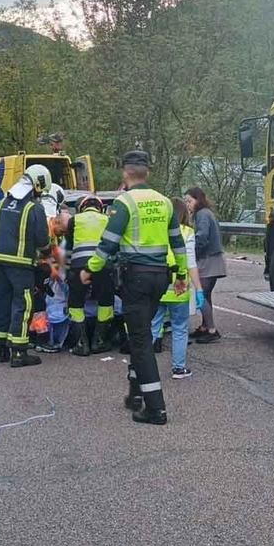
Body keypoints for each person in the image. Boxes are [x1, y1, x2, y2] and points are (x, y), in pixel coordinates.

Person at [84, 151, 187, 425]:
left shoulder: (124, 202)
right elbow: (177, 242)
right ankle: (135, 393)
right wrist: (181, 274)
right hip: (160, 278)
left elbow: (107, 243)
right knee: (139, 332)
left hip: (136, 278)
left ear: (125, 173)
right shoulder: (165, 202)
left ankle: (156, 408)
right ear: (147, 173)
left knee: (140, 341)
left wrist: (89, 269)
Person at [0, 164, 53, 367]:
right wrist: (47, 255)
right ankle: (19, 353)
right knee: (23, 305)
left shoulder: (0, 203)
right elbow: (43, 241)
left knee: (2, 302)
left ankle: (2, 348)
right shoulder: (34, 208)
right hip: (21, 265)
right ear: (37, 185)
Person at [151, 198, 205, 379]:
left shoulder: (156, 231)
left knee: (153, 325)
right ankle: (178, 368)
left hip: (156, 284)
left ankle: (145, 368)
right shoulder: (187, 232)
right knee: (179, 328)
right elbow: (190, 263)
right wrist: (199, 289)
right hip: (178, 286)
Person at [66, 195, 114, 356]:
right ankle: (99, 341)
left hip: (79, 266)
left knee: (75, 303)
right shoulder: (107, 220)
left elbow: (68, 246)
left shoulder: (74, 220)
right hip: (103, 265)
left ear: (82, 207)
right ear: (100, 208)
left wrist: (66, 270)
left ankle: (81, 343)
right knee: (106, 301)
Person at [185, 187, 227, 344]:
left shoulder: (202, 215)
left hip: (208, 260)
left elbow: (201, 237)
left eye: (189, 201)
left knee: (200, 295)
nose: (188, 204)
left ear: (198, 200)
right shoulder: (206, 213)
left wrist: (191, 253)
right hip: (212, 259)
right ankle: (205, 326)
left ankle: (212, 330)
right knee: (206, 295)